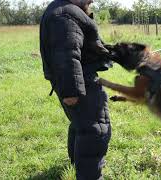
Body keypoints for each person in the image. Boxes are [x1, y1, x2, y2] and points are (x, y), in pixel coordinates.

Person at [39, 0, 113, 179]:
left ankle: (77, 163)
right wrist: (72, 92)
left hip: (79, 80)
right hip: (82, 84)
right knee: (95, 131)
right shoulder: (66, 15)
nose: (92, 0)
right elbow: (67, 56)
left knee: (81, 125)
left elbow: (83, 46)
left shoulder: (65, 10)